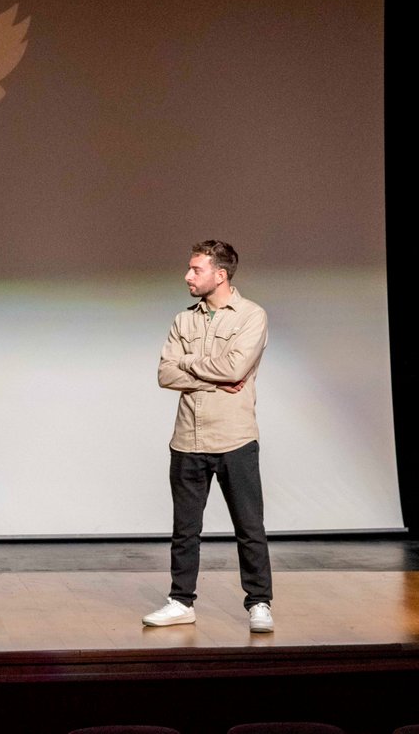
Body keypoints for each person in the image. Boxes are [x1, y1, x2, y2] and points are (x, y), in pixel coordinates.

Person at [143, 240, 274, 633]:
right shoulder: (183, 320)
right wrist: (215, 380)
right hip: (187, 439)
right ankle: (181, 601)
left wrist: (191, 366)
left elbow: (236, 367)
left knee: (249, 527)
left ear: (220, 274)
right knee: (185, 530)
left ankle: (259, 602)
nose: (187, 276)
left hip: (234, 438)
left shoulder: (251, 316)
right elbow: (166, 374)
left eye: (195, 269)